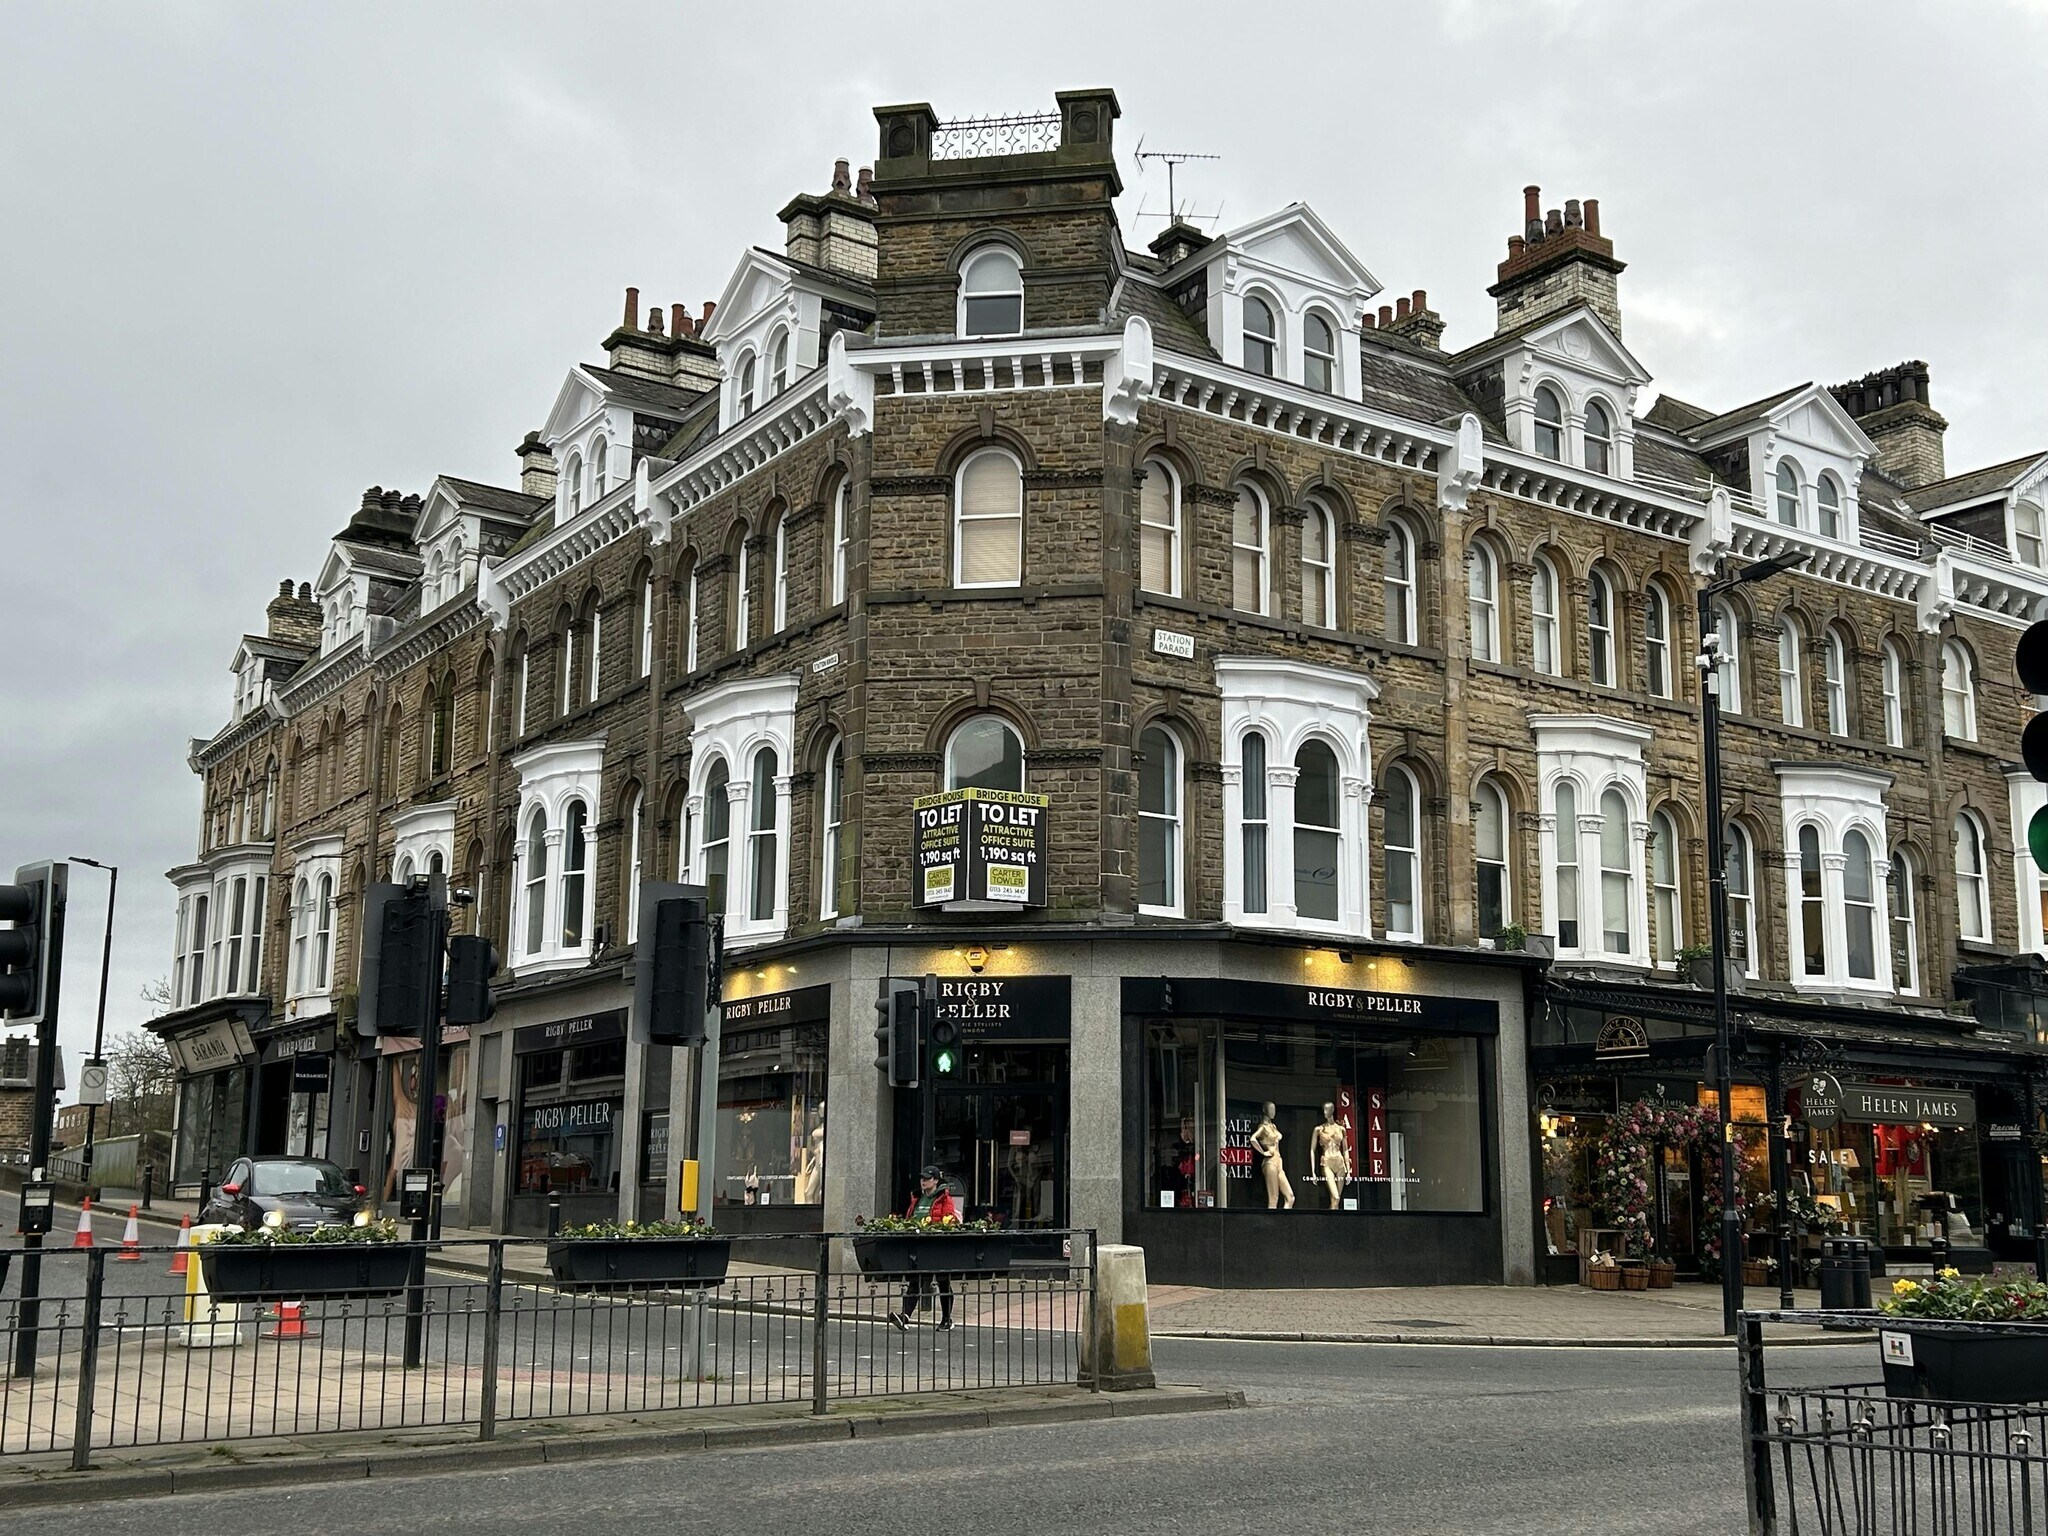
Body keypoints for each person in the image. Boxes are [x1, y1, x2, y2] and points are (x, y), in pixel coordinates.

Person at [888, 1165, 958, 1331]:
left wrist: (937, 1228)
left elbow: (949, 1219)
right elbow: (910, 1217)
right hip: (919, 1245)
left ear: (935, 1180)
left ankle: (947, 1319)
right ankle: (905, 1316)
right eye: (922, 1178)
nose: (923, 1181)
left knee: (943, 1282)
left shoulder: (944, 1198)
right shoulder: (917, 1197)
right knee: (915, 1279)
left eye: (927, 1178)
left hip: (937, 1245)